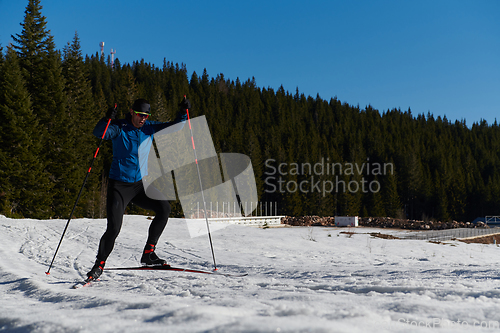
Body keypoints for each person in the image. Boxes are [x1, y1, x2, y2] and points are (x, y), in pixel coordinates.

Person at [86, 98, 190, 281]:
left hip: (139, 185)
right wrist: (105, 119)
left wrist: (182, 113)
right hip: (119, 186)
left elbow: (175, 127)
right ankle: (99, 265)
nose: (143, 118)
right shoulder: (119, 127)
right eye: (141, 115)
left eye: (146, 116)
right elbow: (100, 133)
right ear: (132, 112)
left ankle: (148, 254)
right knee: (114, 228)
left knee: (164, 208)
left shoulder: (149, 128)